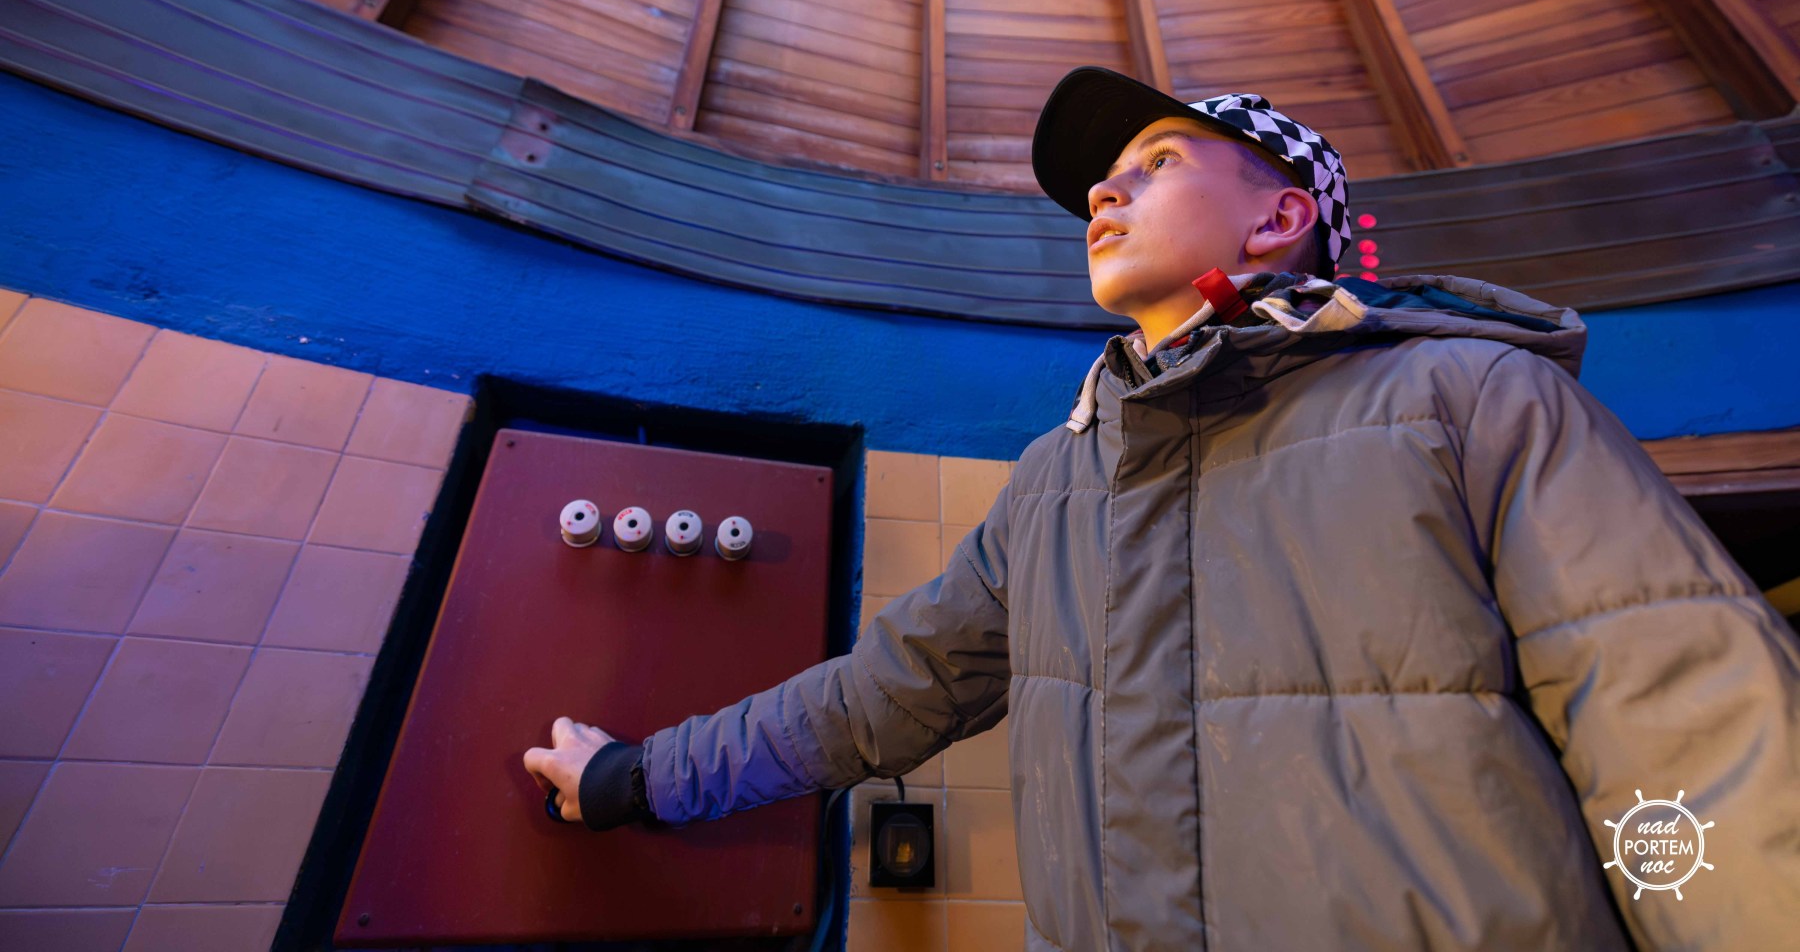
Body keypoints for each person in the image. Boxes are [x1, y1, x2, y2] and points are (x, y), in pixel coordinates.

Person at [523, 65, 1800, 949]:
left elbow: (1694, 741)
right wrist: (641, 777)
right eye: (1104, 179)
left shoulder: (1469, 400)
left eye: (1158, 162)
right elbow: (879, 697)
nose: (1103, 192)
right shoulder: (1054, 486)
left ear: (1280, 220)